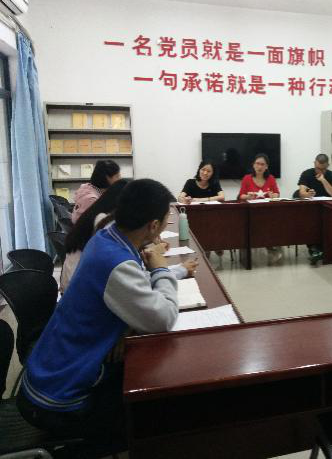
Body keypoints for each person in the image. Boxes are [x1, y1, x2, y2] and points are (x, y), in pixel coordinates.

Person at [17, 179, 179, 454]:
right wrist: (161, 269)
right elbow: (164, 318)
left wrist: (126, 325)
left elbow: (127, 294)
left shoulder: (106, 235)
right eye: (165, 221)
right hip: (57, 401)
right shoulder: (116, 262)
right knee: (152, 413)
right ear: (153, 226)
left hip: (48, 373)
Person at [61, 179, 197, 293]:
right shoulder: (106, 235)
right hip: (77, 294)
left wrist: (145, 241)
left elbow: (137, 278)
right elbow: (159, 309)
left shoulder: (104, 227)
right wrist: (164, 270)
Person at [238, 153, 283, 264]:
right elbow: (240, 196)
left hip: (267, 213)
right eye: (257, 164)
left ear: (266, 166)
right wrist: (247, 196)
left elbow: (277, 194)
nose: (259, 166)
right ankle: (266, 247)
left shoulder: (271, 178)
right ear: (253, 165)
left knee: (274, 222)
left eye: (262, 164)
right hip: (251, 213)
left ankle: (272, 247)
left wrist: (273, 195)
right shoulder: (247, 178)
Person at [298, 154, 332, 264]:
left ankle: (321, 250)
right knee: (310, 221)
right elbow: (301, 192)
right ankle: (314, 249)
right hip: (311, 208)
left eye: (323, 169)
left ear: (327, 166)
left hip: (328, 208)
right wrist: (308, 194)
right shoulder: (306, 174)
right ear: (314, 163)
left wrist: (323, 180)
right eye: (317, 168)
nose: (319, 171)